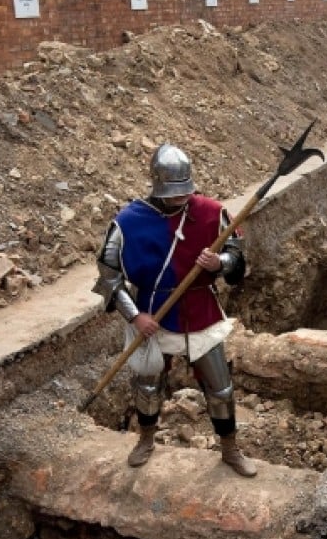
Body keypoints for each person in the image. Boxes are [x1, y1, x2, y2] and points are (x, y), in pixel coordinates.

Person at [92, 144, 257, 477]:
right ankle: (146, 440)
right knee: (148, 385)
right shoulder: (127, 222)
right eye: (174, 193)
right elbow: (109, 277)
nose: (182, 198)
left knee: (220, 387)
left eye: (185, 191)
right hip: (154, 310)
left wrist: (220, 261)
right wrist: (135, 316)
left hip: (200, 308)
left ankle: (230, 449)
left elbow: (237, 258)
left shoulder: (212, 212)